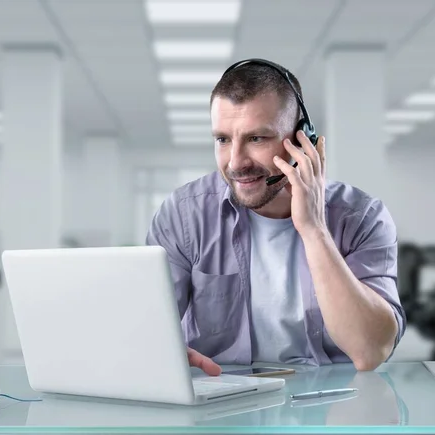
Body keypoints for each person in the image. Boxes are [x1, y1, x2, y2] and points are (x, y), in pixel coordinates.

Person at [146, 59, 405, 375]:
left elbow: (370, 351)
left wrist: (314, 229)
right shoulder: (184, 215)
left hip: (331, 406)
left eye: (257, 138)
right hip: (221, 407)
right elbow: (143, 333)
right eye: (223, 139)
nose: (236, 162)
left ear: (301, 140)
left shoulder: (362, 217)